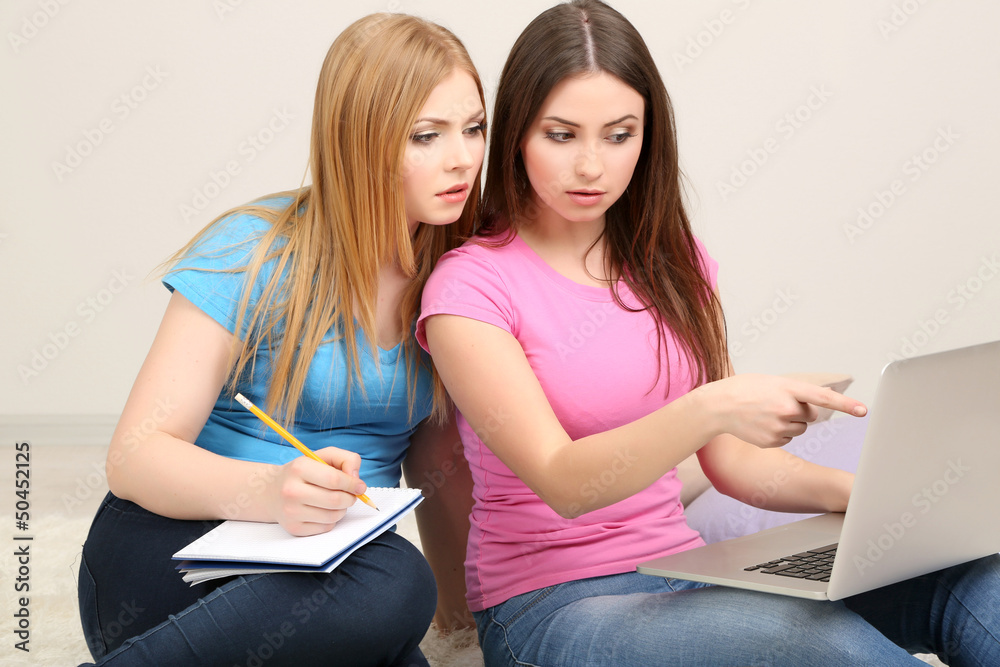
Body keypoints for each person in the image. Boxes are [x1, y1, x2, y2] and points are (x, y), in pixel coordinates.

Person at [416, 1, 1000, 665]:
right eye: (561, 134)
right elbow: (564, 481)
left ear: (648, 133)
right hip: (553, 606)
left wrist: (876, 503)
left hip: (687, 574)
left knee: (977, 577)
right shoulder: (470, 288)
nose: (591, 166)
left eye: (619, 134)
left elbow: (731, 462)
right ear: (518, 132)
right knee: (820, 642)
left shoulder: (675, 262)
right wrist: (714, 405)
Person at [77, 12, 485, 666]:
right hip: (172, 550)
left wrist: (467, 626)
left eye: (473, 128)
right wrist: (269, 491)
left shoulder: (460, 280)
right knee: (397, 581)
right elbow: (134, 455)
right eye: (426, 136)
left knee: (400, 626)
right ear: (360, 142)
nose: (462, 156)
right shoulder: (254, 249)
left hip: (328, 578)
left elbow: (441, 469)